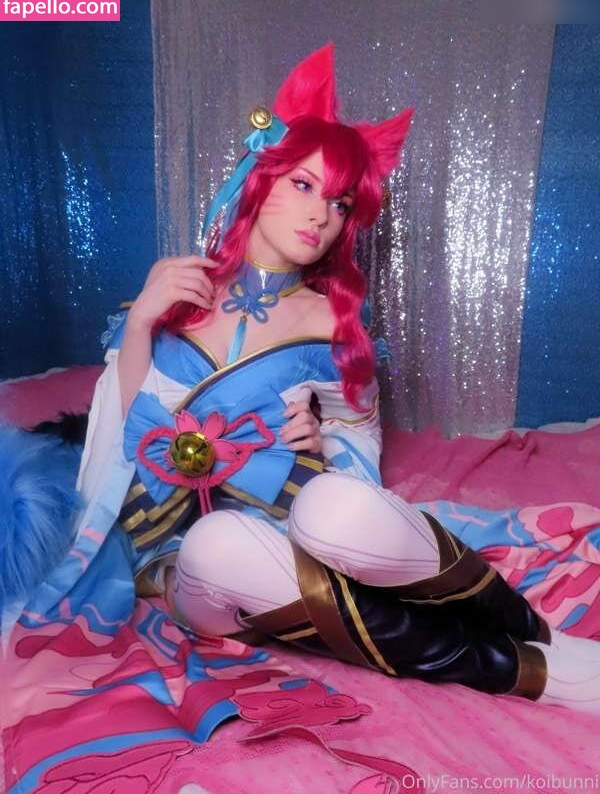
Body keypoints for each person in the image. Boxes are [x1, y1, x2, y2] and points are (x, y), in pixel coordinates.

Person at [79, 43, 600, 715]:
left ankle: (533, 632)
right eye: (303, 185)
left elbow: (359, 454)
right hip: (190, 562)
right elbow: (116, 433)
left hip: (291, 528)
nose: (320, 215)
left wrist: (326, 440)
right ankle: (531, 671)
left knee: (334, 507)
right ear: (259, 178)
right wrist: (142, 323)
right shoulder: (175, 288)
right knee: (215, 544)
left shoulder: (334, 322)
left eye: (340, 202)